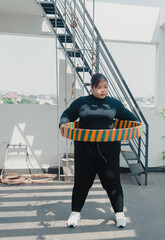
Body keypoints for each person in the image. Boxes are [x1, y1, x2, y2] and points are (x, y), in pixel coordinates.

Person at [59, 73, 138, 228]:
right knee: (81, 182)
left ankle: (119, 213)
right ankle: (75, 212)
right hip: (84, 150)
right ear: (92, 88)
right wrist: (63, 124)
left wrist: (135, 128)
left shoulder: (114, 104)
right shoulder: (81, 103)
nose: (103, 90)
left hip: (108, 151)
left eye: (105, 87)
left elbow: (131, 118)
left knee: (113, 182)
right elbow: (67, 115)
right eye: (99, 87)